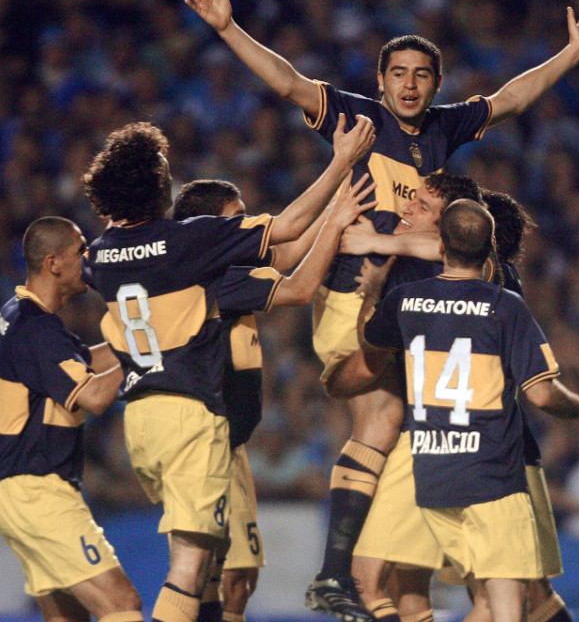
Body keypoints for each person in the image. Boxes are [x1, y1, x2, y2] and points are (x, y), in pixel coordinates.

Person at [182, 0, 579, 615]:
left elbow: (510, 98)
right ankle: (337, 572)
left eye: (421, 75)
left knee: (421, 434)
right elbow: (287, 81)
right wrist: (226, 28)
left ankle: (373, 575)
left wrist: (571, 55)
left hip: (407, 307)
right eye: (399, 73)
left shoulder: (444, 129)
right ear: (380, 79)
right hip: (350, 292)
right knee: (382, 416)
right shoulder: (359, 118)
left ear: (435, 84)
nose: (410, 85)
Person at [81, 118, 374, 622]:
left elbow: (283, 252)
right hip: (190, 417)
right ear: (156, 186)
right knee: (192, 567)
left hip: (141, 422)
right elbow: (285, 232)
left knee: (214, 571)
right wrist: (342, 162)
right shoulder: (190, 244)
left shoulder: (100, 256)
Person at [333, 199, 579, 622]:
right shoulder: (506, 306)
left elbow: (372, 346)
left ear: (440, 245)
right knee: (506, 605)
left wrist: (372, 291)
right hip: (494, 476)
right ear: (489, 252)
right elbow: (540, 395)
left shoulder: (407, 300)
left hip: (434, 476)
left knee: (447, 593)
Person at [170, 178, 334, 622]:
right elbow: (299, 287)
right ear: (207, 230)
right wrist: (337, 214)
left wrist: (338, 207)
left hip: (231, 446)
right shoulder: (214, 281)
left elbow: (289, 250)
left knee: (237, 579)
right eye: (235, 219)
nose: (243, 227)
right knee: (209, 576)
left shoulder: (230, 269)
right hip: (204, 446)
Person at [0, 216, 143, 622]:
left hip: (17, 490)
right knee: (121, 604)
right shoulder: (35, 327)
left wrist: (145, 336)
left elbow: (85, 363)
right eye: (81, 251)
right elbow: (91, 396)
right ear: (54, 263)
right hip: (37, 491)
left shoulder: (21, 315)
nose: (88, 258)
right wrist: (144, 356)